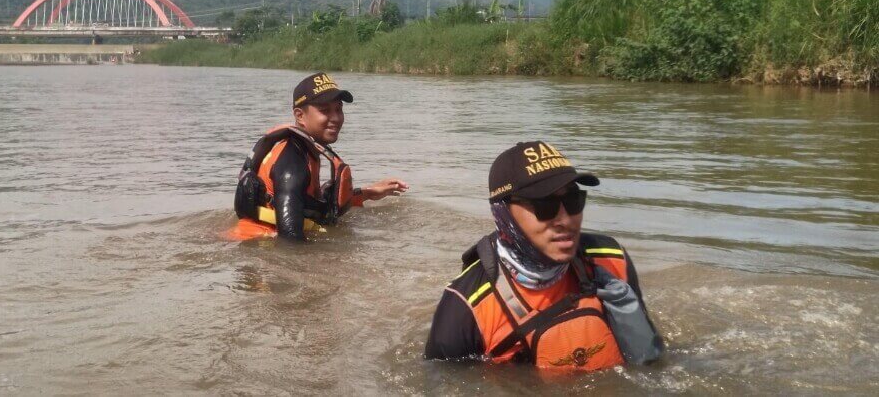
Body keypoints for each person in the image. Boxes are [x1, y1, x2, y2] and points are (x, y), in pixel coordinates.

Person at [424, 141, 663, 371]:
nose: (565, 220)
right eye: (544, 205)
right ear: (503, 214)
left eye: (572, 200)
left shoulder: (611, 260)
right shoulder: (464, 307)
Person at [227, 72, 408, 241]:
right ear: (300, 116)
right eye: (325, 110)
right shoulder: (292, 162)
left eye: (339, 109)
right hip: (259, 247)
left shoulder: (305, 151)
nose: (336, 118)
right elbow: (290, 241)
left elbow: (313, 205)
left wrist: (367, 193)